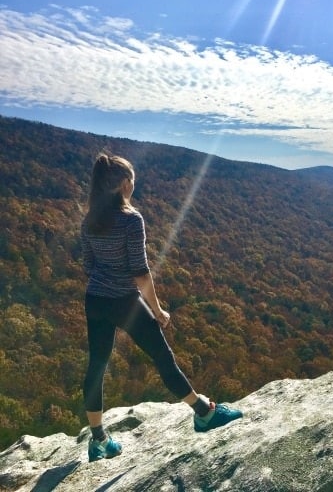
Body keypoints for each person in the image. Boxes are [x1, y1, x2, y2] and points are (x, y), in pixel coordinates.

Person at [81, 153, 242, 462]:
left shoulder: (89, 220)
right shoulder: (131, 219)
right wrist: (157, 310)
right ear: (125, 183)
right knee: (162, 357)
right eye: (133, 181)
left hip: (96, 300)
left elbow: (89, 265)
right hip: (124, 300)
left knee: (97, 367)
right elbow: (141, 273)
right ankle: (203, 414)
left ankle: (99, 439)